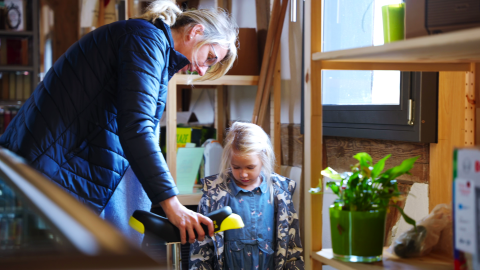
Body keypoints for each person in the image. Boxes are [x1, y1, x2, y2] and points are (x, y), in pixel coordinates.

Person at [0, 0, 238, 245]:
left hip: (52, 165)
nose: (202, 71)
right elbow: (137, 127)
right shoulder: (146, 40)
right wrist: (172, 205)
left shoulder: (150, 43)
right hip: (49, 167)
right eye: (209, 57)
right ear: (195, 32)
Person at [189, 122, 305, 269]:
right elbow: (201, 248)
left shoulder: (280, 194)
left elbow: (292, 247)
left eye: (250, 167)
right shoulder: (214, 194)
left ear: (264, 158)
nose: (243, 174)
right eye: (236, 167)